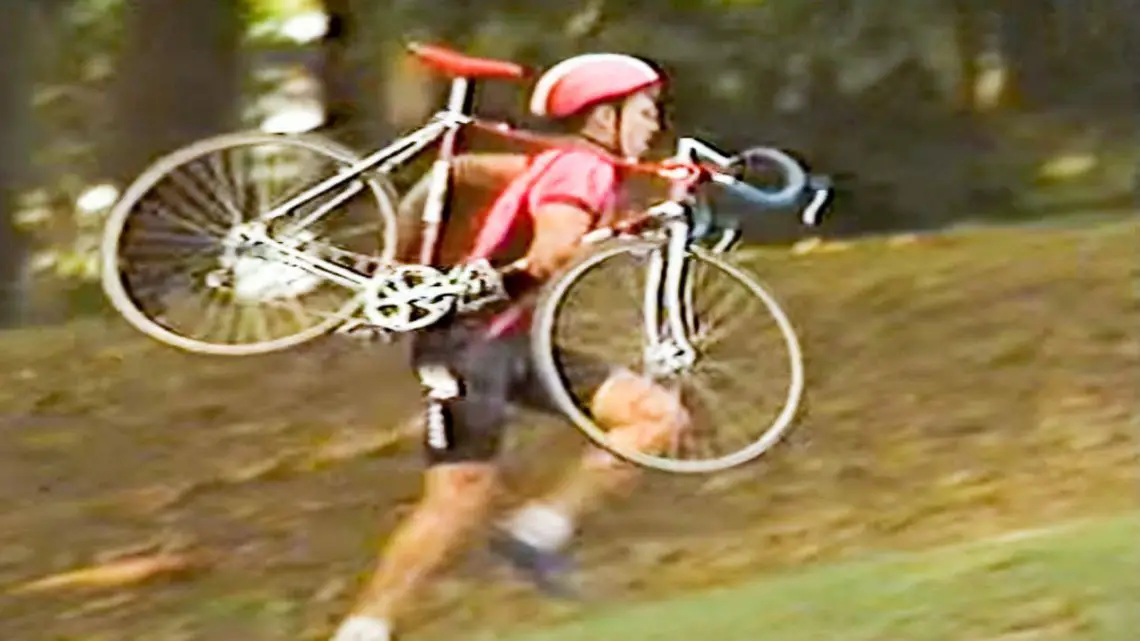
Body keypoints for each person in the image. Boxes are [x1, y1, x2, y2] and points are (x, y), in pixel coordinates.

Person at [330, 53, 691, 641]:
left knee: (654, 416)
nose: (653, 124)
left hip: (516, 339)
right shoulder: (581, 169)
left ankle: (536, 533)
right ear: (604, 118)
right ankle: (364, 630)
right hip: (467, 341)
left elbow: (459, 171)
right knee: (460, 494)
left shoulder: (570, 166)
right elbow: (551, 250)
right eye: (645, 111)